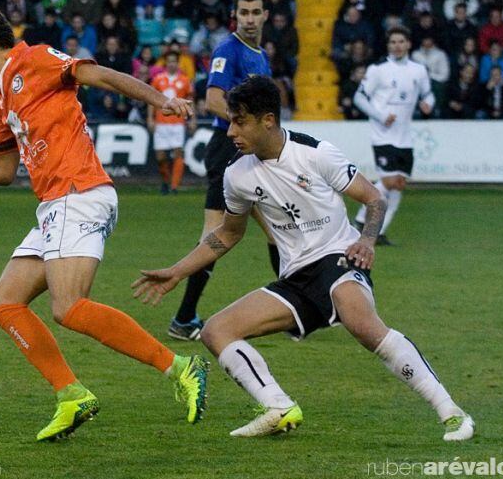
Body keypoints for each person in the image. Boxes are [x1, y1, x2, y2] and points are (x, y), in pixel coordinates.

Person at [0, 1, 209, 442]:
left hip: (79, 192)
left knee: (68, 306)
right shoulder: (4, 95)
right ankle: (71, 395)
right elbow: (2, 171)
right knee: (5, 301)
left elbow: (100, 74)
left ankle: (181, 367)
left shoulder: (37, 59)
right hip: (54, 205)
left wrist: (161, 99)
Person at [133, 76, 475, 442]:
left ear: (267, 120)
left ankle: (452, 413)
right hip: (294, 279)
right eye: (230, 120)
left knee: (363, 325)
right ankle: (277, 406)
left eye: (239, 121)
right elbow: (229, 234)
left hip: (337, 259)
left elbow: (374, 199)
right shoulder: (237, 174)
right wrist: (177, 272)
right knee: (217, 330)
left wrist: (367, 240)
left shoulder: (316, 153)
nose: (231, 130)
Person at [169, 0, 277, 342]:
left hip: (250, 151)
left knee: (278, 228)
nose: (249, 19)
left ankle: (297, 308)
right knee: (215, 235)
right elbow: (213, 100)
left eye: (255, 12)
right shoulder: (228, 50)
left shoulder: (259, 55)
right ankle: (184, 318)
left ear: (265, 15)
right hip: (227, 149)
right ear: (236, 14)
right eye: (243, 12)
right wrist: (246, 124)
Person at [353, 25, 434, 246]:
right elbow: (359, 98)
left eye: (401, 41)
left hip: (405, 137)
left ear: (408, 44)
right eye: (393, 42)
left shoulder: (418, 70)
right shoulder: (377, 69)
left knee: (398, 184)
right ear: (388, 45)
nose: (397, 46)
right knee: (389, 181)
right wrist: (379, 116)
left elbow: (428, 94)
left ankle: (377, 232)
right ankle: (361, 220)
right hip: (383, 135)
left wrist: (428, 104)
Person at [148, 50, 192, 194]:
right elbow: (151, 100)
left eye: (174, 61)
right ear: (166, 63)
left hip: (178, 123)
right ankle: (166, 181)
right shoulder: (158, 79)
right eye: (169, 61)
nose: (172, 64)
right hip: (161, 122)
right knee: (160, 157)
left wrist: (193, 119)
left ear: (177, 63)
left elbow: (191, 101)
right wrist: (150, 118)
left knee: (178, 153)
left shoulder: (185, 80)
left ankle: (174, 186)